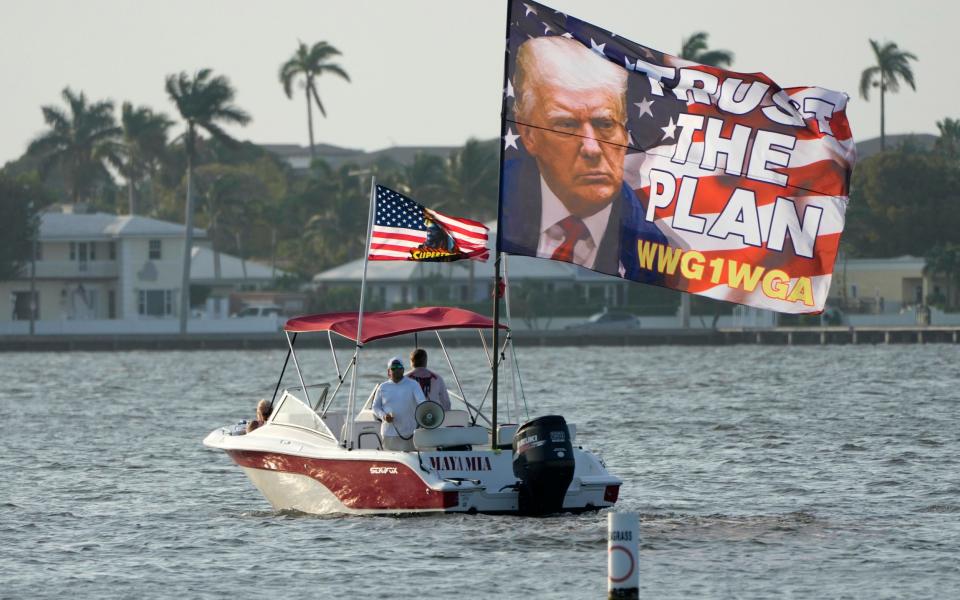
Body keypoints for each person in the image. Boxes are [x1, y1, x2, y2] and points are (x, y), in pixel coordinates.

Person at [500, 35, 667, 283]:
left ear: (624, 134)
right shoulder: (504, 205)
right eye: (566, 125)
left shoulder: (653, 244)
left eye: (605, 124)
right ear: (528, 134)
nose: (592, 148)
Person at [372, 356, 427, 451]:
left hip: (409, 433)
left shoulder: (413, 384)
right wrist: (384, 416)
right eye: (393, 368)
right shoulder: (382, 387)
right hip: (388, 433)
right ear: (389, 371)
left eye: (399, 367)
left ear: (403, 370)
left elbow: (422, 403)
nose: (396, 370)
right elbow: (375, 407)